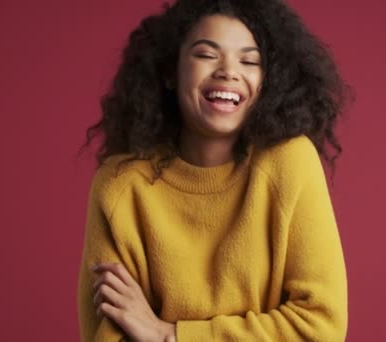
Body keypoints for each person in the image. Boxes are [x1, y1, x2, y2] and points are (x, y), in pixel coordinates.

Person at [77, 0, 354, 341]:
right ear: (169, 72)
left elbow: (320, 326)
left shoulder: (289, 163)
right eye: (207, 55)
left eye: (249, 61)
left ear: (266, 81)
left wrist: (169, 335)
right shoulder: (120, 186)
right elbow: (107, 334)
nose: (228, 71)